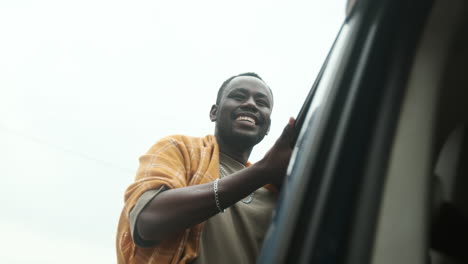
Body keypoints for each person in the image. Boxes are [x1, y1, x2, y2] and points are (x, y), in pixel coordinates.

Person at [116, 72, 295, 264]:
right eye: (238, 96)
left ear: (268, 126)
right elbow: (147, 222)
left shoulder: (278, 190)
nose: (251, 104)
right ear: (214, 112)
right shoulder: (179, 149)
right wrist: (261, 171)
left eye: (261, 102)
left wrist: (267, 174)